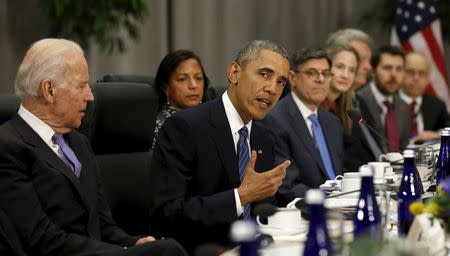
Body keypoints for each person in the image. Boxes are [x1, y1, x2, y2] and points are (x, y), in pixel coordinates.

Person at [0, 38, 187, 256]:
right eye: (81, 85)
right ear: (49, 90)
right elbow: (41, 240)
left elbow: (103, 226)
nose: (90, 96)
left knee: (165, 246)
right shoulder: (8, 146)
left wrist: (134, 244)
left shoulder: (79, 142)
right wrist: (124, 254)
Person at [149, 40, 291, 253]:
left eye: (280, 82)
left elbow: (261, 208)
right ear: (234, 73)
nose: (272, 89)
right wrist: (240, 197)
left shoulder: (264, 136)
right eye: (264, 74)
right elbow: (169, 213)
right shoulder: (184, 127)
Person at [264, 48, 344, 205]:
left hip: (341, 206)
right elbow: (286, 186)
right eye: (312, 73)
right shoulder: (276, 120)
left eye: (326, 73)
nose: (321, 79)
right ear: (292, 78)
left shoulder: (332, 122)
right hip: (304, 211)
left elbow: (338, 175)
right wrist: (328, 201)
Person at [323, 44, 379, 170]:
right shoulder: (317, 107)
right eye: (339, 67)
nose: (345, 75)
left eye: (352, 70)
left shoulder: (346, 108)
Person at [152, 50, 210, 149]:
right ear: (165, 87)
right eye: (182, 79)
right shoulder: (162, 127)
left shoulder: (215, 119)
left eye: (198, 78)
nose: (193, 85)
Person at [357, 45, 409, 153]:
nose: (394, 75)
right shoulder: (358, 101)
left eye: (399, 69)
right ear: (373, 71)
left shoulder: (403, 106)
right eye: (387, 68)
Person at [399, 52, 450, 144]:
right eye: (410, 72)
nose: (416, 77)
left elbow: (448, 128)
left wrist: (436, 135)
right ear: (401, 73)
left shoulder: (436, 105)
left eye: (421, 73)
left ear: (428, 78)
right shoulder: (388, 102)